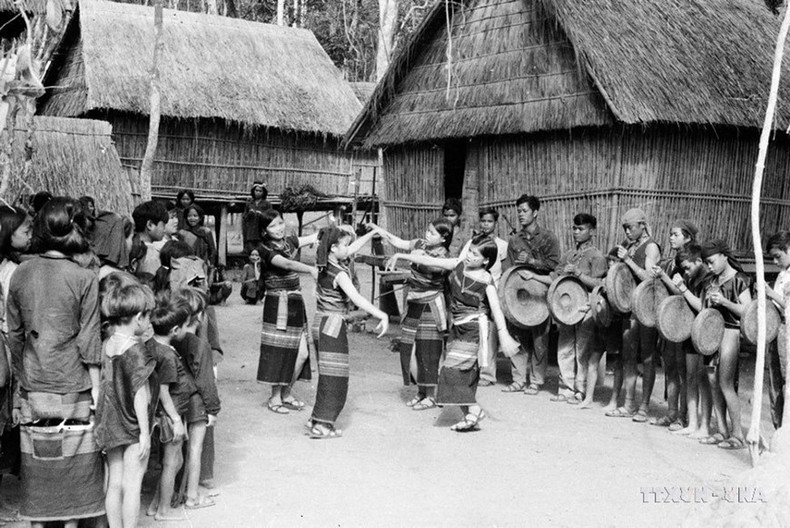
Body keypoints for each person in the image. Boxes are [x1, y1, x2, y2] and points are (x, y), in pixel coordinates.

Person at [7, 197, 105, 526]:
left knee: (38, 477)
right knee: (74, 481)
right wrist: (97, 392)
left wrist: (22, 383)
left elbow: (16, 336)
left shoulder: (21, 272)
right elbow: (89, 340)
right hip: (75, 386)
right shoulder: (84, 278)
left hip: (34, 387)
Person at [387, 238, 519, 431]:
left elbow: (497, 311)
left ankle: (474, 409)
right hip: (456, 327)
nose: (469, 255)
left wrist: (504, 335)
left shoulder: (486, 282)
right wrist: (400, 254)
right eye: (470, 251)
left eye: (475, 254)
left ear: (485, 260)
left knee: (450, 371)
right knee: (462, 374)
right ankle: (469, 416)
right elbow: (431, 262)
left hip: (473, 329)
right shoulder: (458, 264)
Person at [307, 227, 389, 438]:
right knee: (335, 377)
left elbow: (350, 248)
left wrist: (371, 234)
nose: (348, 248)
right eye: (344, 245)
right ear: (334, 247)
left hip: (319, 321)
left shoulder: (324, 264)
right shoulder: (340, 273)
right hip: (333, 324)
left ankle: (317, 418)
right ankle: (322, 425)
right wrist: (382, 315)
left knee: (327, 373)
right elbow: (357, 299)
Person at [675, 239, 751, 450]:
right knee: (711, 380)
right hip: (712, 332)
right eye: (706, 263)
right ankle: (722, 430)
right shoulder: (711, 281)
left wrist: (725, 302)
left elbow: (749, 311)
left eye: (711, 261)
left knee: (725, 383)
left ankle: (738, 434)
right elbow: (703, 307)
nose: (709, 266)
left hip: (730, 332)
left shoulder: (740, 280)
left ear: (724, 256)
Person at [95, 281, 158, 528]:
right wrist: (145, 433)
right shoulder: (136, 350)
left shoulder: (108, 344)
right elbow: (140, 395)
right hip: (132, 423)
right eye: (148, 316)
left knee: (115, 482)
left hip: (109, 421)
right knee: (133, 486)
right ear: (139, 318)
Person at [376, 218, 454, 410]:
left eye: (433, 233)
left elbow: (429, 264)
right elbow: (399, 242)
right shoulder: (421, 244)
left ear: (444, 238)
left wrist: (408, 257)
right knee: (410, 350)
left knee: (429, 352)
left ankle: (432, 395)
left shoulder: (444, 258)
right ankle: (421, 391)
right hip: (413, 303)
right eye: (428, 231)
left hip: (430, 305)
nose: (427, 235)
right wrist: (379, 230)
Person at [256, 210, 319, 414]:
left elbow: (313, 237)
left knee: (301, 353)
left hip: (295, 302)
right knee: (279, 351)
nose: (278, 228)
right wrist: (310, 269)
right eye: (272, 226)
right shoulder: (264, 249)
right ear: (264, 230)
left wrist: (334, 231)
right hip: (278, 304)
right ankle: (275, 397)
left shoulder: (288, 242)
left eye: (280, 223)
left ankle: (286, 393)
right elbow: (288, 264)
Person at [502, 194, 560, 395]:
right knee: (516, 333)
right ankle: (518, 378)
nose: (521, 215)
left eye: (524, 210)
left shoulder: (548, 238)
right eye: (518, 211)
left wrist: (533, 262)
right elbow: (508, 268)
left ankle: (536, 380)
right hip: (518, 294)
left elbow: (555, 266)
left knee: (539, 339)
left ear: (535, 212)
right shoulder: (514, 240)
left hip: (540, 294)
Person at [607, 208, 661, 422]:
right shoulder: (629, 245)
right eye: (625, 228)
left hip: (646, 307)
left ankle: (645, 406)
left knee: (647, 357)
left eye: (630, 227)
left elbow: (650, 277)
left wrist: (628, 260)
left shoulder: (651, 247)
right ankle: (629, 403)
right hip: (628, 307)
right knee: (628, 355)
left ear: (642, 225)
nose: (627, 232)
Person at [550, 213, 607, 404]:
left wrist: (579, 273)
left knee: (582, 349)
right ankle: (565, 387)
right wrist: (559, 274)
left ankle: (580, 390)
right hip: (567, 308)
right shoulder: (568, 255)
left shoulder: (597, 256)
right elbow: (555, 275)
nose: (576, 232)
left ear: (591, 231)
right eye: (574, 228)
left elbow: (600, 284)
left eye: (581, 229)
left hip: (585, 307)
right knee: (565, 347)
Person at [145, 299, 194, 521]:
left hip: (169, 412)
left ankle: (155, 504)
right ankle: (164, 511)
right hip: (170, 413)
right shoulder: (166, 355)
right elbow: (164, 391)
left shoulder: (153, 345)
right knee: (171, 462)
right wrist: (175, 420)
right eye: (185, 325)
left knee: (173, 462)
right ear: (175, 330)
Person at [172, 287, 220, 508]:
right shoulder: (200, 345)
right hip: (197, 403)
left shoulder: (171, 340)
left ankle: (173, 493)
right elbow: (206, 381)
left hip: (176, 401)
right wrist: (213, 409)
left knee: (173, 451)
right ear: (200, 316)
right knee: (195, 449)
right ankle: (192, 496)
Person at [651, 219, 699, 429]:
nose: (671, 238)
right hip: (668, 320)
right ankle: (671, 412)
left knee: (682, 370)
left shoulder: (692, 263)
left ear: (688, 238)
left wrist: (663, 277)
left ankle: (682, 415)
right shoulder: (670, 262)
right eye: (670, 234)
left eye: (676, 234)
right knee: (670, 367)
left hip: (684, 321)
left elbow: (682, 291)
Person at [667, 244, 713, 439]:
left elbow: (701, 306)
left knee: (703, 380)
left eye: (688, 267)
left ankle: (704, 425)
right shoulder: (691, 277)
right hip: (689, 331)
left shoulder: (707, 279)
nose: (686, 271)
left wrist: (683, 288)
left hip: (703, 332)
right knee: (690, 378)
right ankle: (692, 423)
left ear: (699, 261)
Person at [458, 208, 508, 386]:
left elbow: (506, 271)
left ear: (496, 224)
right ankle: (468, 368)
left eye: (490, 221)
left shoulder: (502, 245)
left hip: (490, 291)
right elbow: (461, 262)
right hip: (473, 291)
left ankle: (487, 374)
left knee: (490, 333)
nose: (486, 224)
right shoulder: (472, 243)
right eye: (483, 221)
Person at [767, 231, 790, 430]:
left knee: (786, 378)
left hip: (787, 331)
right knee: (774, 381)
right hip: (777, 329)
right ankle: (778, 426)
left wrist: (770, 293)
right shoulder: (783, 274)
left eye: (778, 256)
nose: (775, 261)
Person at [132, 201, 169, 277]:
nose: (164, 230)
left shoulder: (132, 244)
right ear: (150, 225)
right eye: (163, 225)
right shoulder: (151, 254)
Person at [180, 204, 217, 272]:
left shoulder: (206, 232)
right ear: (186, 218)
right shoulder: (183, 233)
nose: (192, 218)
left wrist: (211, 264)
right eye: (189, 216)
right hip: (187, 265)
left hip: (203, 265)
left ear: (200, 218)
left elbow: (212, 250)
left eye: (195, 216)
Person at [242, 182, 272, 253]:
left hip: (262, 235)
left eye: (260, 191)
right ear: (253, 191)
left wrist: (262, 215)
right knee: (251, 254)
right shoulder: (249, 204)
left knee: (261, 254)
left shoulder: (267, 204)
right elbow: (245, 218)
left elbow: (271, 218)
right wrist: (249, 213)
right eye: (256, 190)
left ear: (263, 192)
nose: (258, 192)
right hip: (251, 235)